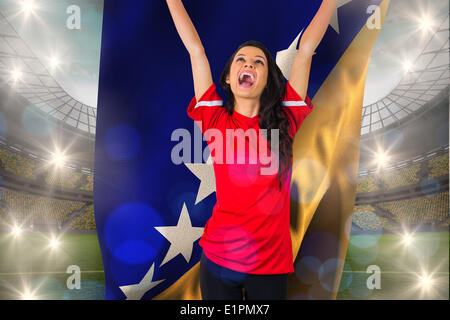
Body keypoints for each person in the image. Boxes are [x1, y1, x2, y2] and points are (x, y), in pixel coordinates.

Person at [166, 0, 336, 300]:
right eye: (240, 60)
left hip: (270, 267)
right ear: (229, 79)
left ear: (267, 79)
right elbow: (195, 50)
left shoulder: (287, 119)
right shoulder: (214, 121)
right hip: (218, 262)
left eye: (259, 62)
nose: (249, 64)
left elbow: (306, 49)